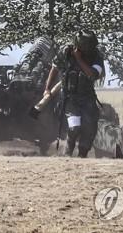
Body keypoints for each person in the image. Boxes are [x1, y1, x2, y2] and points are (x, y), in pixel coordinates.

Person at [44, 30, 105, 158]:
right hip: (70, 98)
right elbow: (54, 68)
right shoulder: (66, 52)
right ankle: (67, 154)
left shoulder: (96, 56)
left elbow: (92, 74)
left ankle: (82, 155)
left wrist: (79, 58)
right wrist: (47, 88)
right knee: (74, 127)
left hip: (87, 97)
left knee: (89, 127)